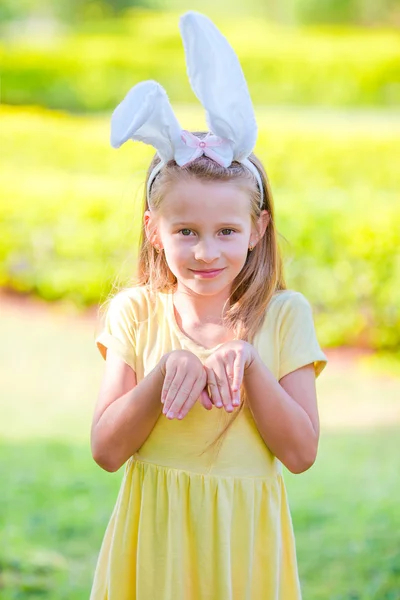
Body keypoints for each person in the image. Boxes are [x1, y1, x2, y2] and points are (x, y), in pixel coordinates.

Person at [90, 11, 328, 600]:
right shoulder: (136, 314)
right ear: (154, 230)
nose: (205, 251)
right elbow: (106, 450)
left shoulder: (284, 314)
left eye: (226, 230)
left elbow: (300, 454)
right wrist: (165, 374)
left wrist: (248, 362)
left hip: (243, 549)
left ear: (257, 228)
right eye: (185, 231)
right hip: (155, 548)